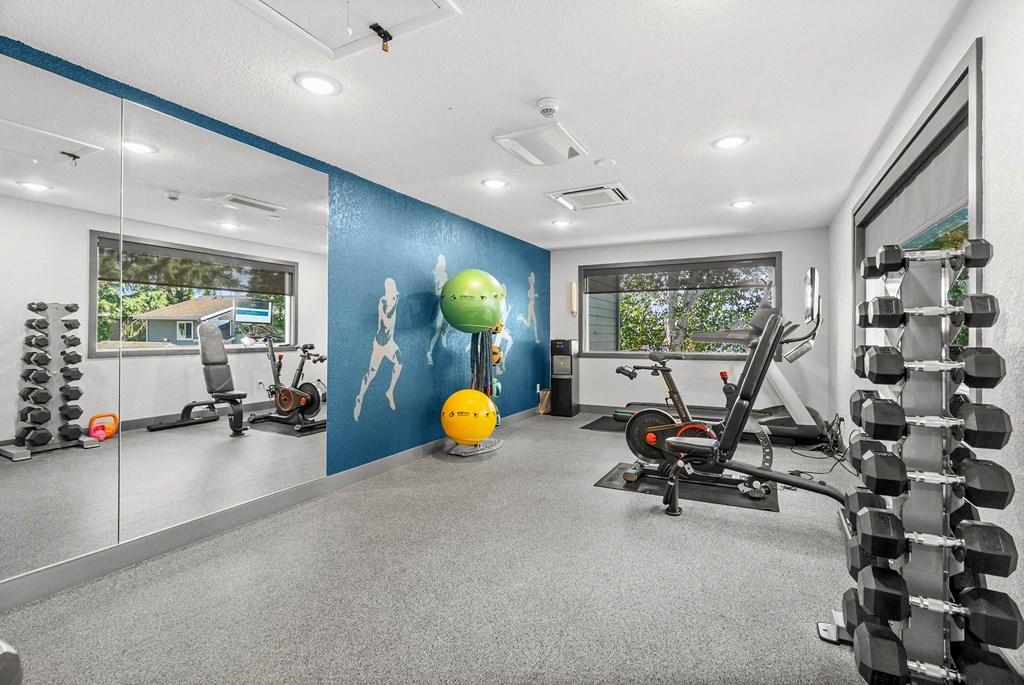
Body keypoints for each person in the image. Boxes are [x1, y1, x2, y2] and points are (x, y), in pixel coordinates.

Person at [353, 278, 402, 421]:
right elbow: (386, 320)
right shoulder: (383, 301)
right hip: (380, 344)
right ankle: (359, 398)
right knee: (371, 374)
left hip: (390, 343)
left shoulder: (394, 298)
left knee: (400, 362)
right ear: (387, 289)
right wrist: (394, 304)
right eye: (391, 288)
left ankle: (390, 391)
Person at [427, 255, 451, 365]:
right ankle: (430, 353)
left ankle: (443, 352)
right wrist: (446, 287)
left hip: (447, 305)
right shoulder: (439, 275)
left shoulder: (445, 275)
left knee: (447, 328)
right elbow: (437, 292)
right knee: (437, 331)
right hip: (440, 306)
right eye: (441, 262)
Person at [516, 271, 540, 344]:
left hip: (531, 305)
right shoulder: (531, 286)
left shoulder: (531, 286)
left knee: (535, 323)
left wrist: (533, 296)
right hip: (530, 306)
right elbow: (530, 295)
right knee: (529, 324)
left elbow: (529, 294)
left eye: (533, 277)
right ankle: (522, 318)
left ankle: (536, 339)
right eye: (533, 278)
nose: (533, 279)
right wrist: (534, 296)